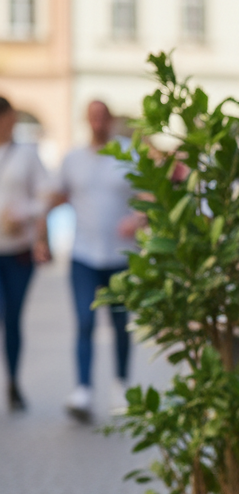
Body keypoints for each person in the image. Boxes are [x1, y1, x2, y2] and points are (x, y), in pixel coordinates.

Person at [49, 101, 142, 422]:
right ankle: (83, 390)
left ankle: (121, 386)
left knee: (120, 324)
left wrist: (137, 219)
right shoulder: (73, 158)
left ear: (111, 120)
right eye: (93, 118)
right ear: (86, 121)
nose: (98, 124)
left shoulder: (129, 153)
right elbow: (57, 195)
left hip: (120, 257)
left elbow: (149, 196)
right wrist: (39, 230)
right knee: (85, 322)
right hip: (84, 255)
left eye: (103, 118)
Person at [0, 96, 50, 411]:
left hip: (18, 250)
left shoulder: (27, 154)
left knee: (12, 316)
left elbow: (46, 196)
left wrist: (25, 213)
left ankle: (13, 380)